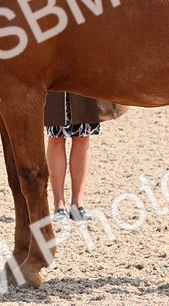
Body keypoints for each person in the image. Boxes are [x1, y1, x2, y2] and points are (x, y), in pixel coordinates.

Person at [44, 92, 127, 222]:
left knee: (83, 137)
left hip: (82, 81)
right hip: (55, 82)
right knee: (55, 138)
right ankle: (58, 206)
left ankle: (77, 205)